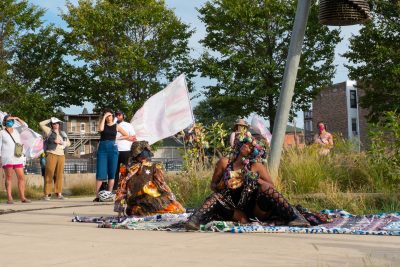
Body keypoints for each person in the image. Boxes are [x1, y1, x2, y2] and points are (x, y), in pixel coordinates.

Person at [185, 131, 310, 230]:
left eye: (250, 146)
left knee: (266, 189)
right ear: (239, 145)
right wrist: (221, 185)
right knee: (215, 196)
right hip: (231, 205)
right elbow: (213, 185)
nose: (246, 146)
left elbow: (271, 186)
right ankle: (195, 220)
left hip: (254, 207)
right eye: (245, 143)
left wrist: (255, 178)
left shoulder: (256, 166)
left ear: (253, 152)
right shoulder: (225, 162)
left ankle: (296, 217)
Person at [114, 141, 185, 216]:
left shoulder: (154, 167)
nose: (144, 158)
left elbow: (162, 184)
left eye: (145, 156)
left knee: (173, 209)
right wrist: (120, 207)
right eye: (141, 156)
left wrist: (173, 200)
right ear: (135, 155)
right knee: (139, 212)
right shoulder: (127, 169)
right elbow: (122, 188)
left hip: (153, 199)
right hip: (136, 201)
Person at [94, 110, 128, 202]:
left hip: (112, 148)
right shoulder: (103, 125)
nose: (109, 117)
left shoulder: (116, 126)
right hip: (102, 148)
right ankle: (97, 195)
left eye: (110, 115)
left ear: (113, 116)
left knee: (112, 173)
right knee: (100, 172)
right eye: (107, 116)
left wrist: (118, 138)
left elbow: (126, 135)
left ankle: (109, 194)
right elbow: (100, 130)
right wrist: (104, 117)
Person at [0, 115, 31, 204]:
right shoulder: (1, 133)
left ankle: (22, 197)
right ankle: (9, 197)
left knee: (21, 177)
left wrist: (17, 118)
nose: (11, 122)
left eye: (12, 120)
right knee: (9, 177)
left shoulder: (17, 130)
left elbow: (25, 126)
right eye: (9, 120)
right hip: (7, 158)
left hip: (17, 157)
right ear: (4, 122)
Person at [40, 117, 71, 200]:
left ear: (59, 124)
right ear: (51, 124)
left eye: (57, 123)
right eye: (54, 123)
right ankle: (47, 194)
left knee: (59, 175)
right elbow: (41, 124)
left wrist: (61, 142)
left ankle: (59, 194)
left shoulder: (63, 133)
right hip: (51, 154)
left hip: (61, 155)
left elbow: (68, 143)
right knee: (49, 174)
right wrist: (50, 119)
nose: (56, 124)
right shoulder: (49, 131)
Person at [113, 110, 136, 191]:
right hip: (114, 150)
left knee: (126, 170)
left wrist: (124, 137)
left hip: (125, 150)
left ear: (123, 116)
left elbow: (133, 138)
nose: (117, 116)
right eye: (116, 115)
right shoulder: (112, 125)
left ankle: (127, 187)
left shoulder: (128, 125)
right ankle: (114, 189)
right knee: (114, 171)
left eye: (119, 115)